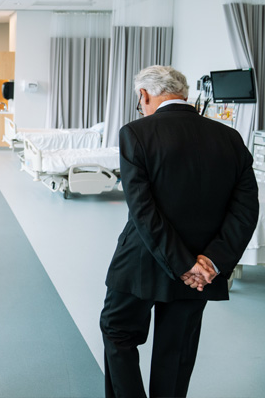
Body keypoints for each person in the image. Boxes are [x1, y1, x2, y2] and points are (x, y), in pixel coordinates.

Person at [99, 65, 259, 398]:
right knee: (177, 352)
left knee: (118, 333)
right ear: (184, 93)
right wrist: (210, 263)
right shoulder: (229, 137)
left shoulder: (136, 133)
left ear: (144, 95)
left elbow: (143, 211)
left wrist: (182, 263)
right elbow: (245, 210)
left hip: (141, 261)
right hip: (202, 271)